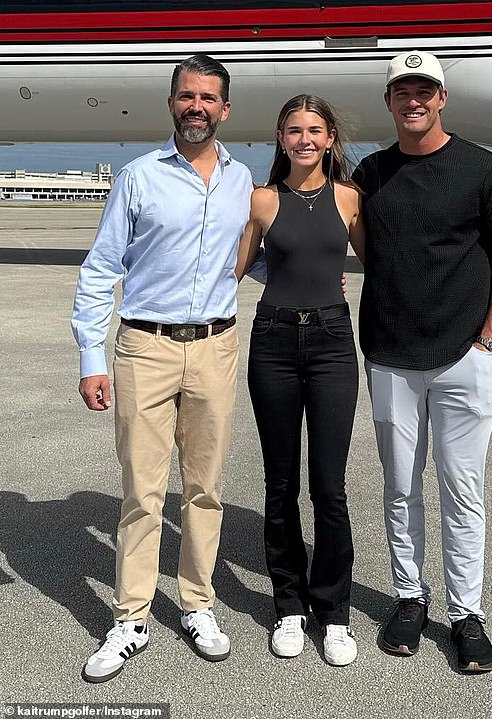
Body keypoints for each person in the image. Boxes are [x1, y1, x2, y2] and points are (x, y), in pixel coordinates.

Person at [71, 54, 254, 683]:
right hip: (144, 348)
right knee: (142, 491)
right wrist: (92, 357)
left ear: (225, 109)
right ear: (171, 103)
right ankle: (131, 617)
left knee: (204, 488)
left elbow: (249, 256)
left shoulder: (241, 179)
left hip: (215, 347)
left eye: (208, 97)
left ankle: (198, 603)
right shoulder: (138, 177)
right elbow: (101, 269)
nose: (196, 106)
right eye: (186, 96)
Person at [352, 51, 492, 672]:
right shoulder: (371, 174)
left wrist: (489, 339)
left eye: (424, 91)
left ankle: (466, 613)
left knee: (462, 490)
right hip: (391, 358)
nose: (413, 101)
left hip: (464, 355)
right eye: (402, 91)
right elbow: (359, 244)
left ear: (442, 99)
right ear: (389, 101)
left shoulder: (482, 169)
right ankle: (409, 599)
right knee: (400, 488)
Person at [235, 94, 364, 666]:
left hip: (335, 344)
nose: (305, 140)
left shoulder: (350, 199)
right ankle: (289, 604)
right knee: (280, 482)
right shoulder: (261, 201)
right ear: (280, 138)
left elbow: (384, 268)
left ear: (330, 138)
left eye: (315, 130)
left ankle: (333, 611)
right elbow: (231, 269)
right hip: (275, 342)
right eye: (294, 131)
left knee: (329, 487)